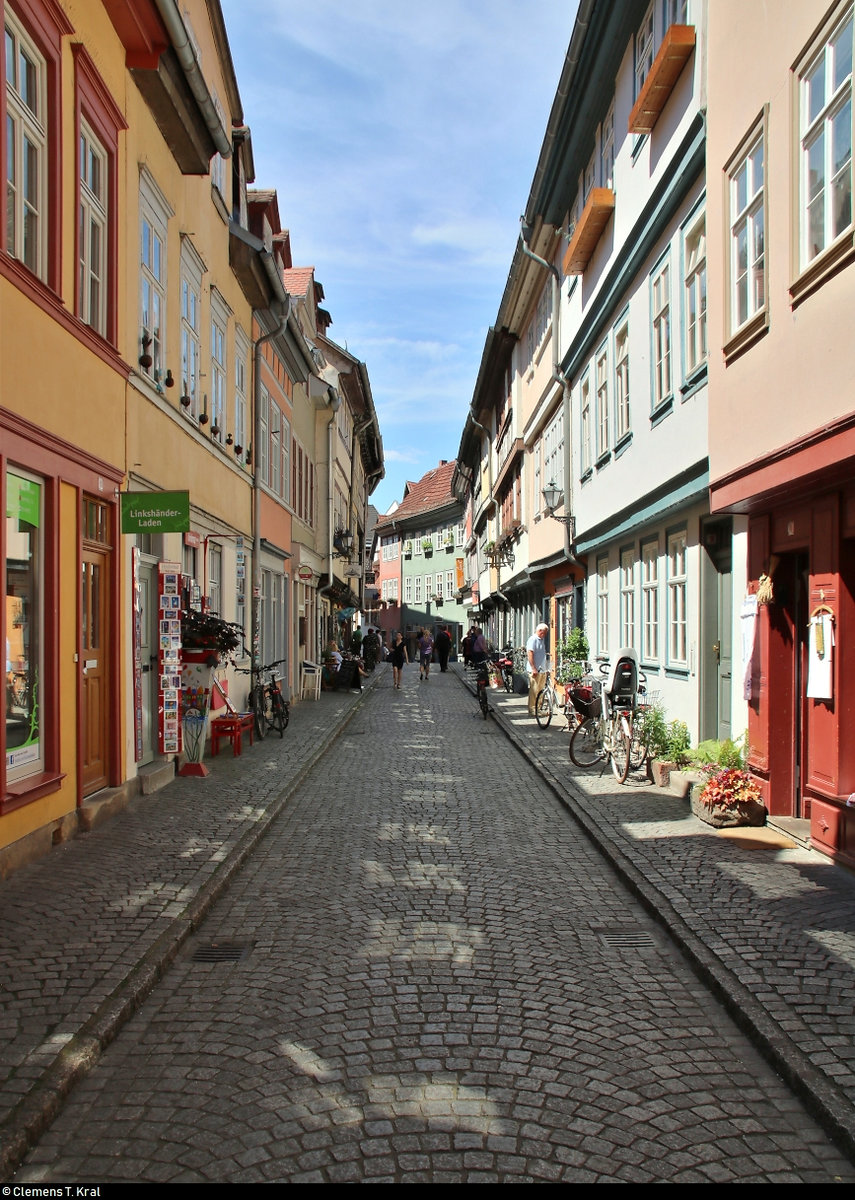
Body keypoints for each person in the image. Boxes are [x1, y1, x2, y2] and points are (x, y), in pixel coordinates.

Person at [526, 622, 549, 716]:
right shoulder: (533, 639)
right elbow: (530, 653)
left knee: (540, 691)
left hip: (542, 670)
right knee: (534, 690)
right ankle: (532, 709)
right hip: (535, 670)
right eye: (545, 632)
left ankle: (538, 708)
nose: (545, 635)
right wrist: (533, 668)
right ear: (540, 631)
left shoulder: (540, 639)